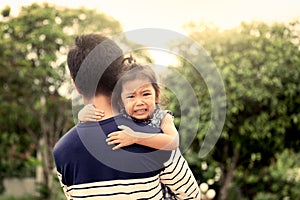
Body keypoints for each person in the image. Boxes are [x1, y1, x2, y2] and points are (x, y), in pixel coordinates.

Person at [53, 34, 201, 200]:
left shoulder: (62, 151)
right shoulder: (156, 138)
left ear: (76, 85)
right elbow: (191, 196)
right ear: (119, 78)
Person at [78, 63, 179, 151]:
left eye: (146, 94)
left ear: (156, 96)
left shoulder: (162, 117)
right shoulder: (121, 113)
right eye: (131, 96)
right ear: (121, 101)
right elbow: (100, 120)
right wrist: (82, 115)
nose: (139, 102)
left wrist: (135, 137)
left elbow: (173, 142)